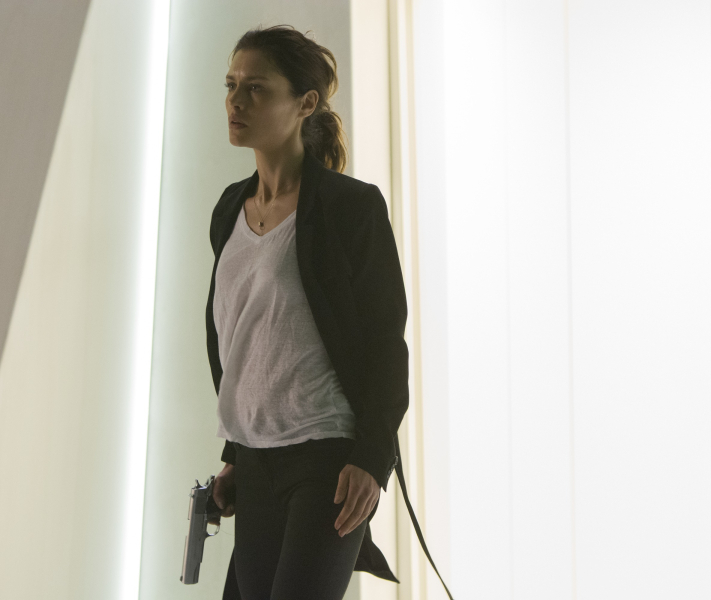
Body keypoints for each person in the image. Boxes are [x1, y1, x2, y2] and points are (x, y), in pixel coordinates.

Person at [205, 24, 409, 600]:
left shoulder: (351, 208)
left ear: (305, 103)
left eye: (256, 88)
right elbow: (243, 335)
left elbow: (385, 342)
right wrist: (235, 454)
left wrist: (372, 458)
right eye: (231, 85)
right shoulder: (229, 208)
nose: (236, 101)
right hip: (255, 461)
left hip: (326, 459)